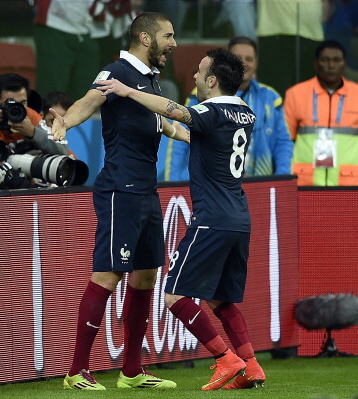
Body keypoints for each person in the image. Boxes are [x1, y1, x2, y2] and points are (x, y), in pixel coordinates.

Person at [93, 47, 266, 390]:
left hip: (212, 218)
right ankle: (252, 365)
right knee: (220, 299)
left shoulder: (210, 111)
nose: (194, 78)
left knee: (174, 295)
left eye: (200, 73)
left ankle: (224, 359)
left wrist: (129, 91)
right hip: (239, 217)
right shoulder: (246, 111)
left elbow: (178, 111)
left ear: (213, 81)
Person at [50, 12, 187, 390]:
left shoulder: (150, 81)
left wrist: (197, 138)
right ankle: (77, 370)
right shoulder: (116, 71)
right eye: (168, 36)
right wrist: (66, 120)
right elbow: (90, 99)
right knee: (108, 275)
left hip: (145, 189)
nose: (173, 44)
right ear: (145, 38)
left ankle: (131, 372)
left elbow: (162, 124)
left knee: (145, 276)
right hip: (119, 189)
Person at [167, 36, 293, 181]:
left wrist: (282, 181)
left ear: (257, 64)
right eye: (238, 58)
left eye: (249, 59)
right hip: (213, 187)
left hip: (259, 186)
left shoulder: (270, 98)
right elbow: (179, 141)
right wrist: (173, 185)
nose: (244, 64)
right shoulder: (201, 94)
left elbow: (283, 142)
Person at [284, 39, 358, 186]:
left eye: (337, 60)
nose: (331, 65)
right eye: (325, 60)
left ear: (344, 63)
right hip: (304, 181)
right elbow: (285, 142)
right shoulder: (296, 94)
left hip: (349, 182)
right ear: (316, 64)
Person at [0, 73, 69, 156]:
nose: (17, 109)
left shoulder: (30, 116)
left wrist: (33, 133)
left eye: (23, 103)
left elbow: (62, 149)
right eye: (11, 104)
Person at [32, 0, 101, 102]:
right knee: (52, 88)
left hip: (89, 28)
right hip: (55, 24)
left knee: (88, 87)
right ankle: (48, 117)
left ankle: (82, 116)